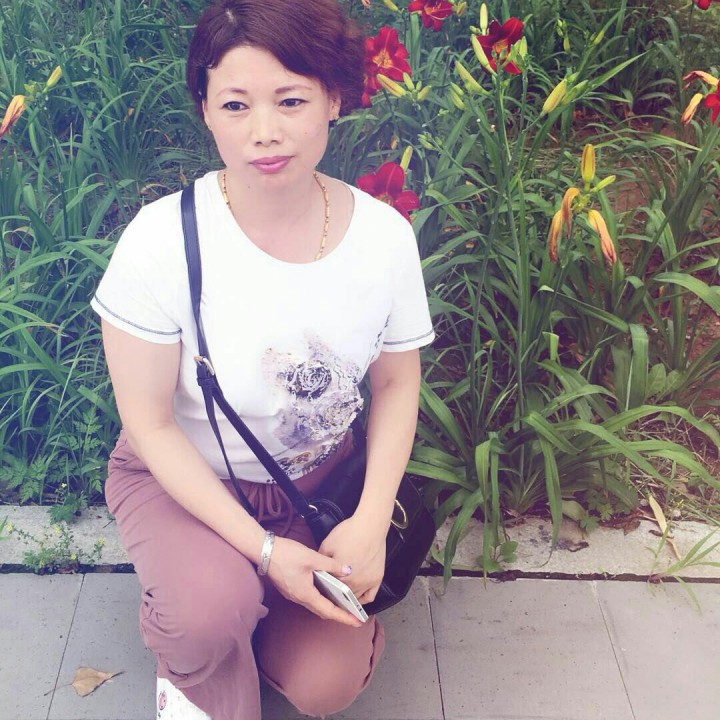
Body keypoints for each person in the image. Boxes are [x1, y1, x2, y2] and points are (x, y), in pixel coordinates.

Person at [91, 1, 434, 718]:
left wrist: (372, 519)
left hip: (316, 486)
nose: (264, 132)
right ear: (206, 112)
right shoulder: (160, 243)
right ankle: (196, 643)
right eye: (236, 104)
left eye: (291, 100)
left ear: (333, 99)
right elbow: (150, 426)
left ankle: (245, 604)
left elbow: (398, 383)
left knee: (325, 684)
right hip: (184, 477)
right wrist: (267, 552)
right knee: (205, 616)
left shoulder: (383, 239)